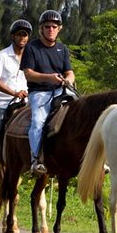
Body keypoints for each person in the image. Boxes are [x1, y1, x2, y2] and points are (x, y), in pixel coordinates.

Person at [20, 10, 74, 176]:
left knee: (84, 112)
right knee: (38, 122)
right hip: (39, 93)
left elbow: (70, 72)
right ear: (41, 29)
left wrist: (69, 80)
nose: (51, 29)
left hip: (61, 90)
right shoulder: (31, 47)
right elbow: (28, 73)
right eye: (47, 26)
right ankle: (35, 159)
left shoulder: (62, 49)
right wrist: (49, 78)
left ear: (60, 29)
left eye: (54, 26)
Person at [0, 20, 31, 184]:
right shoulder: (2, 56)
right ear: (13, 36)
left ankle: (38, 161)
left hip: (26, 102)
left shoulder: (31, 57)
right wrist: (14, 92)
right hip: (3, 102)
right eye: (19, 34)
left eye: (25, 35)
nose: (22, 38)